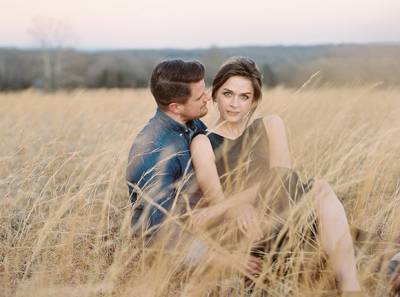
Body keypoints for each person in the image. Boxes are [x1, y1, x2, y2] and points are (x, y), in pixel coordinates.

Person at [189, 57, 362, 294]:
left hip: (281, 210)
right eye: (228, 94)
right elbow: (216, 199)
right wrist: (236, 208)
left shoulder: (271, 124)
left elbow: (281, 181)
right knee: (320, 189)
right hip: (245, 227)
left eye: (244, 96)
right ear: (214, 94)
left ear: (254, 101)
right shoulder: (203, 142)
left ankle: (352, 290)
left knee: (318, 189)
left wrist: (242, 203)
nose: (234, 104)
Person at [126, 59, 211, 242]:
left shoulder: (192, 123)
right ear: (176, 107)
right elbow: (160, 230)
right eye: (199, 97)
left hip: (206, 223)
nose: (208, 97)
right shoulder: (153, 150)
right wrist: (225, 260)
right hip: (174, 246)